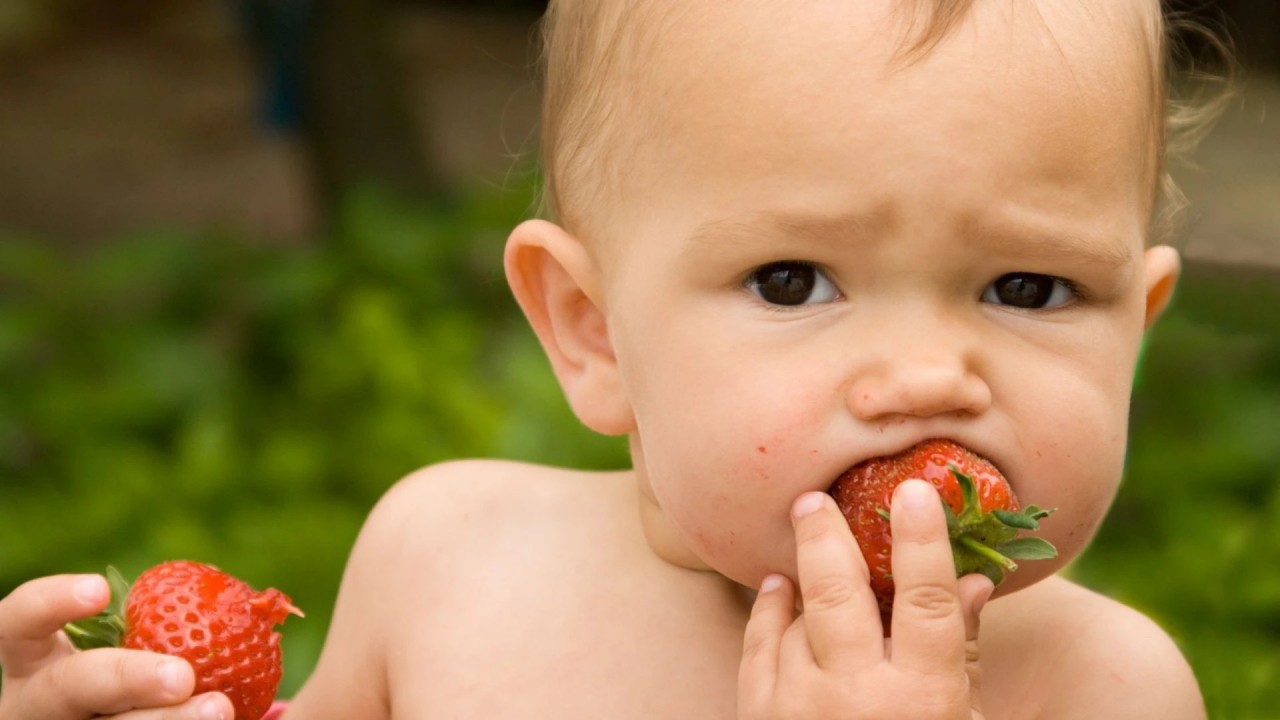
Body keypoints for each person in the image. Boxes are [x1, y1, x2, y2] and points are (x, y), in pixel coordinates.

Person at [0, 0, 1222, 717]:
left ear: (1136, 330)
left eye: (1028, 288)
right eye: (791, 280)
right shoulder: (449, 568)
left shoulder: (1106, 689)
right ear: (592, 333)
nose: (924, 374)